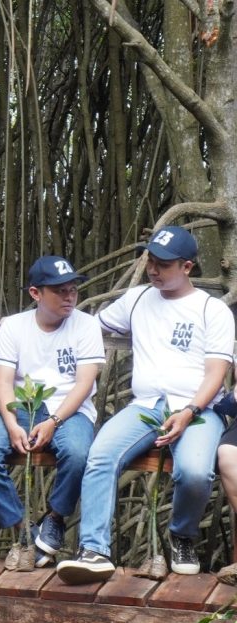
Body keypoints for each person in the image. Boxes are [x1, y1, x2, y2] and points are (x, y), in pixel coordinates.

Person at [57, 226, 232, 584]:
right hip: (146, 406)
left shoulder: (212, 310)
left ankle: (182, 535)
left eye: (163, 264)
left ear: (187, 266)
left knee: (195, 472)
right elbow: (90, 326)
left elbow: (216, 373)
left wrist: (189, 412)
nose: (153, 270)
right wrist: (32, 325)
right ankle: (93, 550)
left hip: (198, 410)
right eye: (150, 261)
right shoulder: (136, 299)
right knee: (100, 455)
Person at [0, 256, 103, 567]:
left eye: (73, 290)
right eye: (59, 291)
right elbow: (3, 382)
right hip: (22, 406)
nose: (69, 297)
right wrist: (11, 424)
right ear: (35, 293)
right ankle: (23, 529)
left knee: (78, 453)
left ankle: (55, 517)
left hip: (70, 410)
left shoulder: (86, 325)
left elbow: (85, 383)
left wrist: (54, 422)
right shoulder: (14, 326)